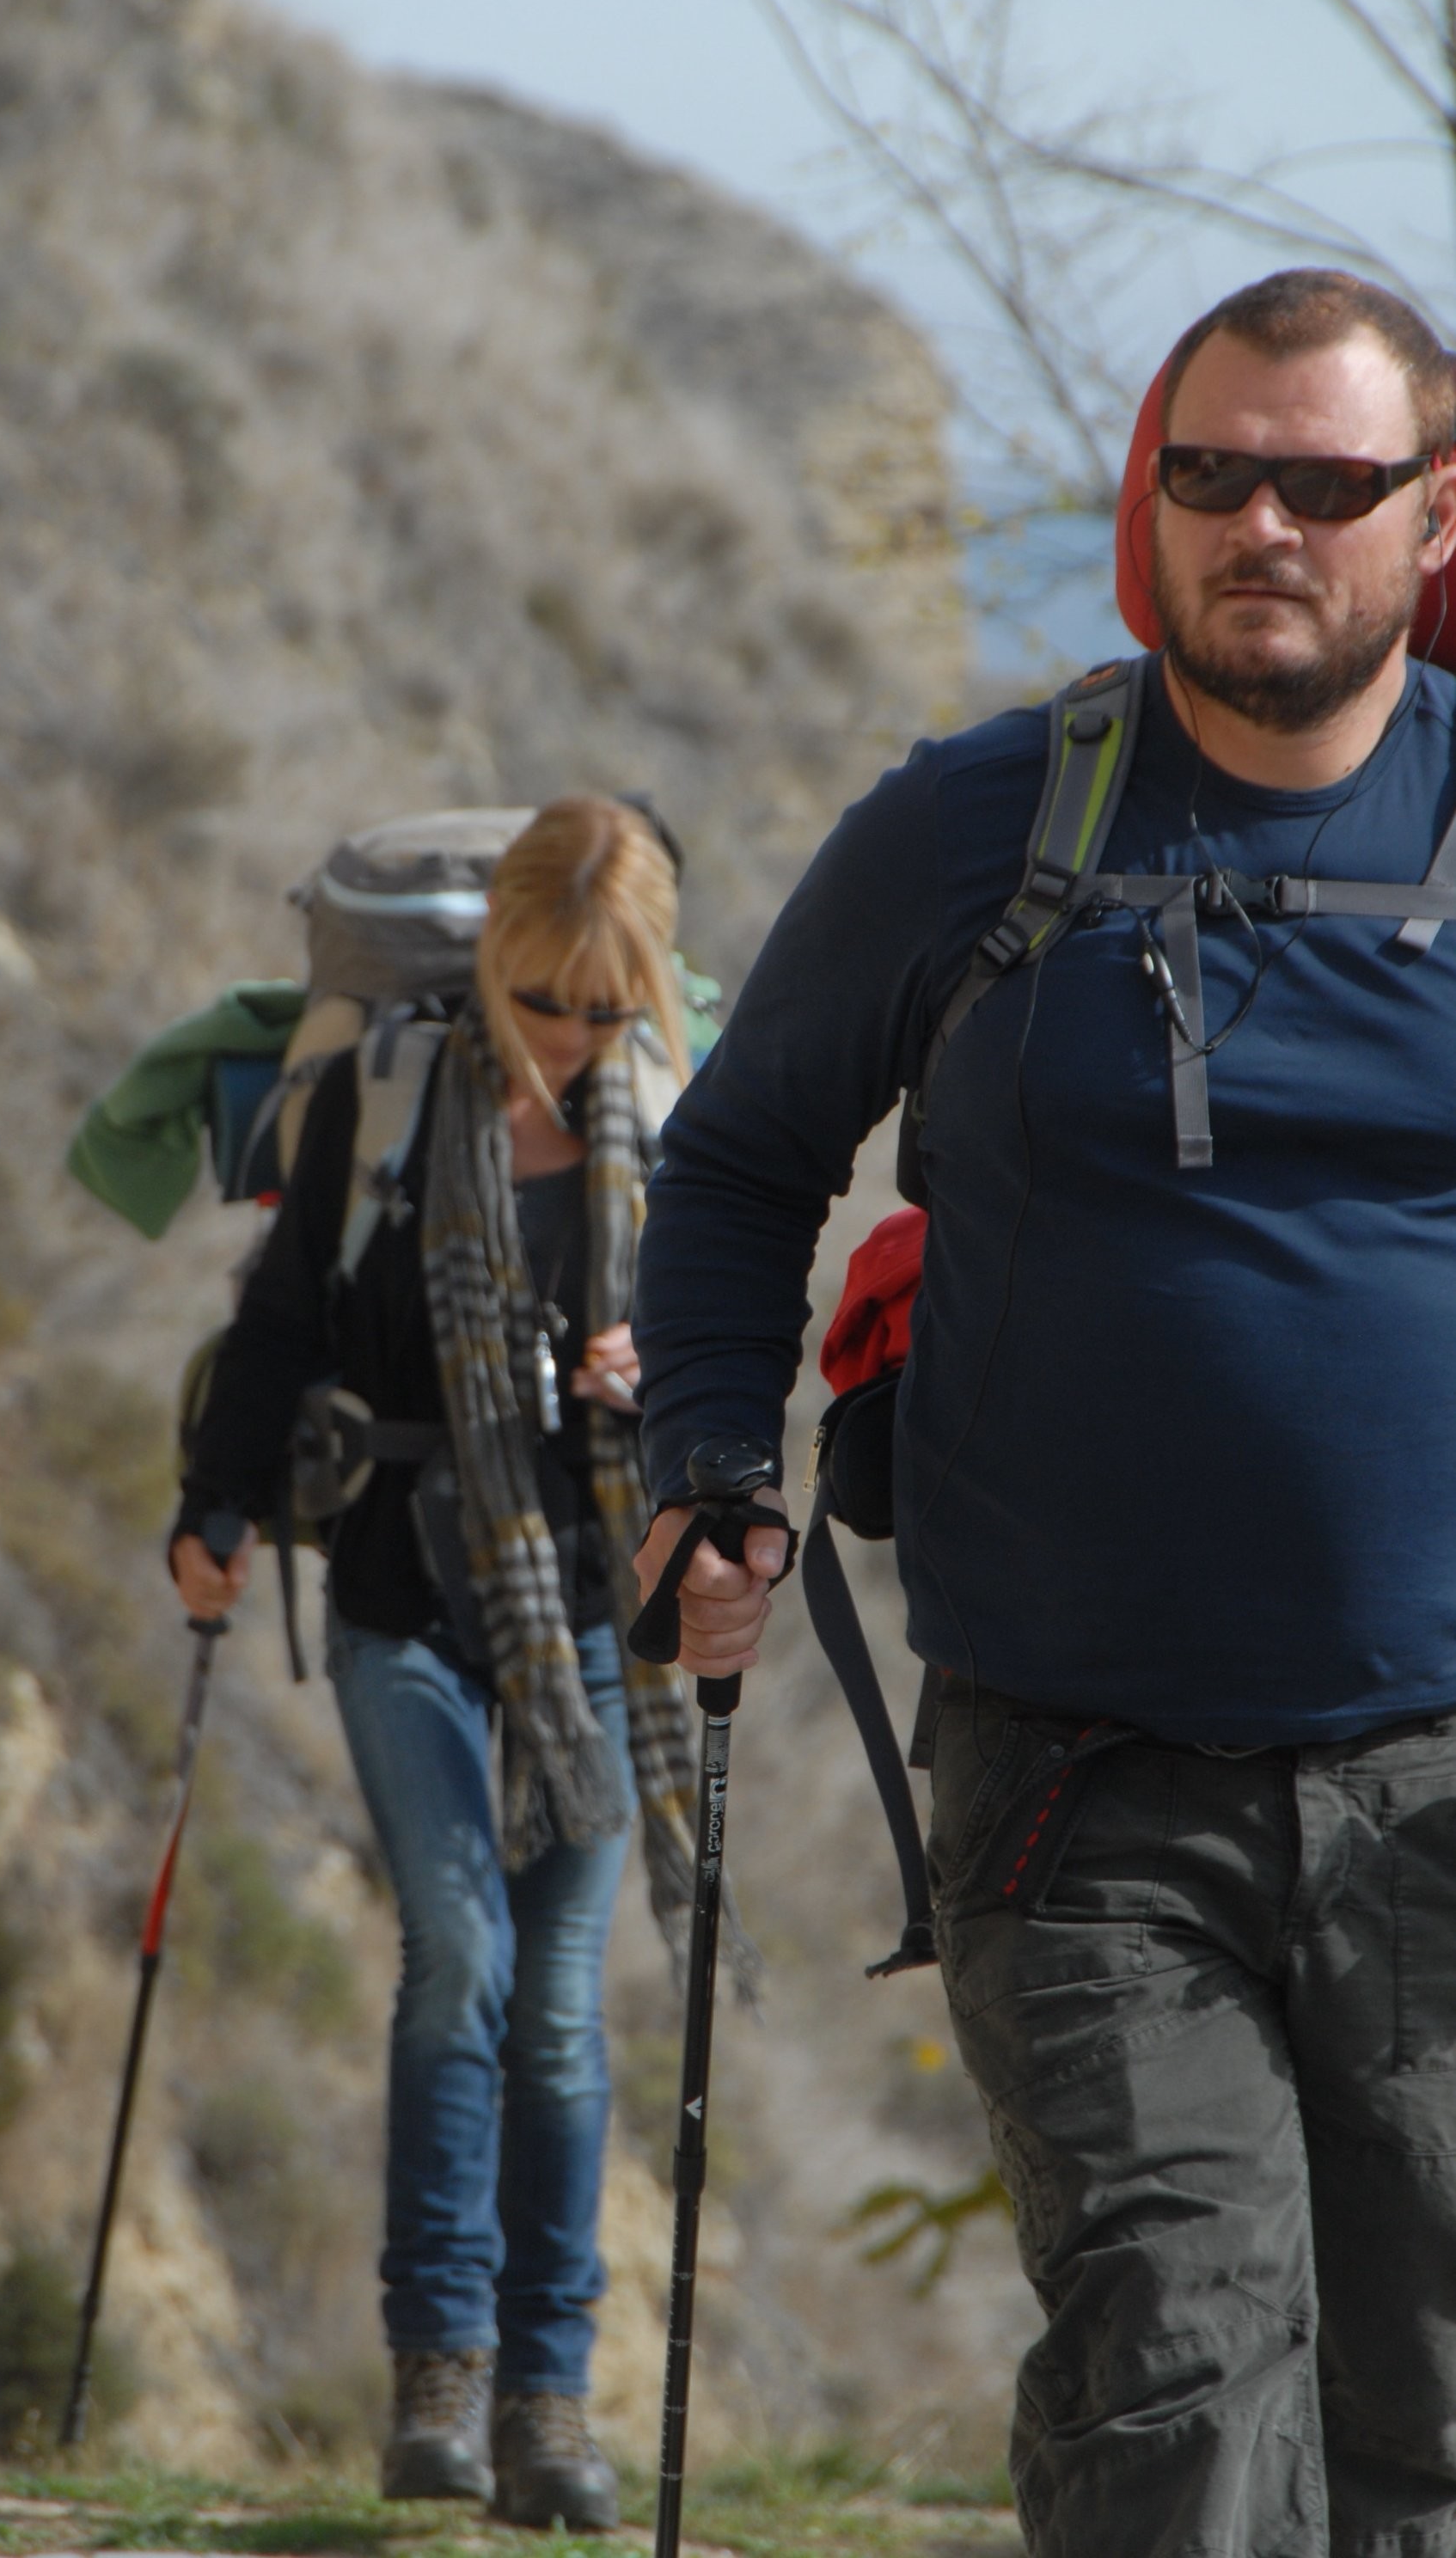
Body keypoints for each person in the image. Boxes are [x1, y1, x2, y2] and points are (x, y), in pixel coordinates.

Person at [631, 269, 1456, 2558]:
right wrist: (703, 1468)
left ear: (1432, 511)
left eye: (1325, 480)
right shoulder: (983, 829)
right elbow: (732, 1164)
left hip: (1436, 1784)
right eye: (1211, 474)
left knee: (1424, 2435)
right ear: (1149, 497)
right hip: (1076, 1792)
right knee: (1175, 2387)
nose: (1262, 526)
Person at [172, 795, 700, 2534]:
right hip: (407, 1579)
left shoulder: (682, 1142)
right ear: (491, 966)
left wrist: (666, 1376)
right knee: (457, 1953)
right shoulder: (385, 1102)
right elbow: (281, 1320)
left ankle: (552, 2402)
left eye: (607, 1008)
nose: (570, 1038)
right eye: (544, 998)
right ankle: (439, 2381)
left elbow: (733, 1379)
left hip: (599, 1616)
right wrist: (217, 1499)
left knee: (556, 2007)